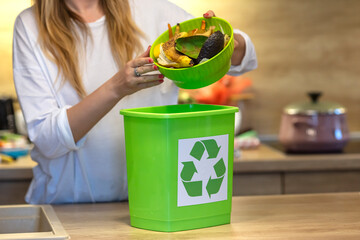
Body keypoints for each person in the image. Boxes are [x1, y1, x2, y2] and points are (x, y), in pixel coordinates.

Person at [12, 0, 257, 204]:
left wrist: (231, 44)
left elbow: (236, 58)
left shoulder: (152, 10)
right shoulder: (30, 26)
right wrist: (116, 87)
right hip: (67, 207)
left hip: (152, 204)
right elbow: (47, 139)